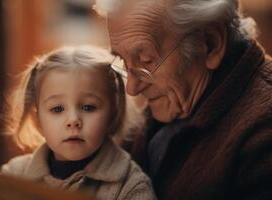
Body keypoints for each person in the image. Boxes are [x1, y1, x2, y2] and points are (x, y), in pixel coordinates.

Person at [94, 0, 272, 199]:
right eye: (123, 61)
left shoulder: (263, 131)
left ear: (211, 44)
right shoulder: (174, 98)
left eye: (146, 61)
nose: (132, 88)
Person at [0, 45, 156, 200]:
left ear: (114, 111)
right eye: (57, 109)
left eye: (88, 107)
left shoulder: (131, 187)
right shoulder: (12, 178)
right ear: (37, 118)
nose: (73, 120)